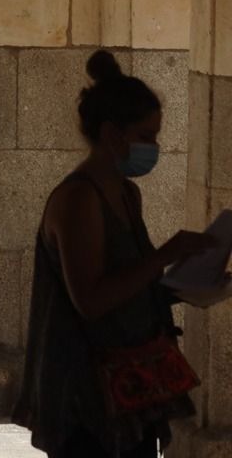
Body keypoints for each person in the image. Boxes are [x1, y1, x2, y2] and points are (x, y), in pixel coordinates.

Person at [13, 51, 217, 457]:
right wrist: (165, 255)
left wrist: (189, 283)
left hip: (133, 384)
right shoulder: (78, 199)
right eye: (146, 136)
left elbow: (130, 280)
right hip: (85, 389)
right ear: (112, 134)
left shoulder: (126, 192)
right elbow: (91, 299)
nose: (153, 148)